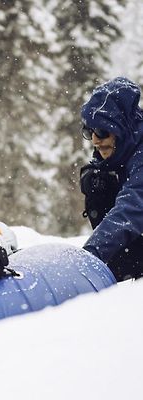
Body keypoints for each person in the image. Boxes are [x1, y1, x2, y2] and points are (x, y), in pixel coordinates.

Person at [80, 77, 143, 281]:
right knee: (96, 182)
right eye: (89, 131)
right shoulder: (129, 147)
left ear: (122, 129)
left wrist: (90, 255)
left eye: (102, 131)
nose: (96, 140)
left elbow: (132, 208)